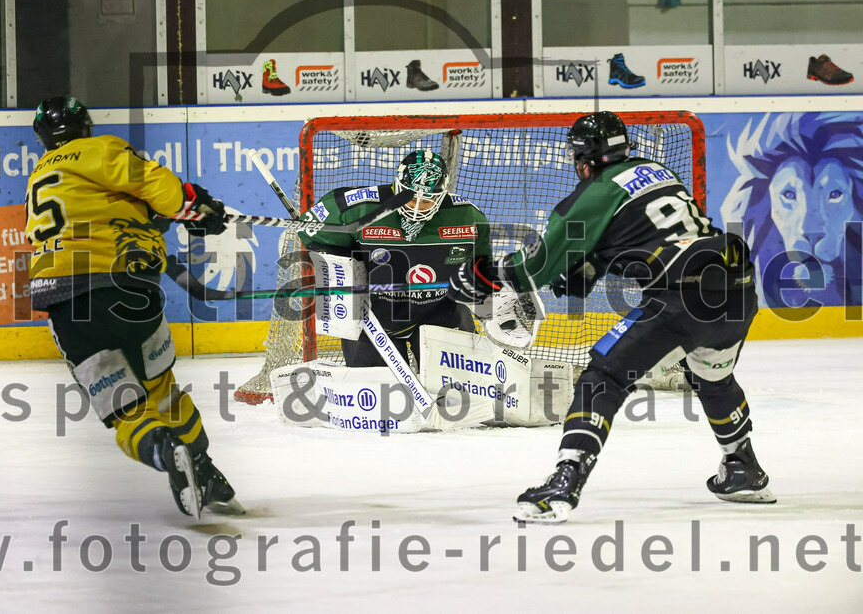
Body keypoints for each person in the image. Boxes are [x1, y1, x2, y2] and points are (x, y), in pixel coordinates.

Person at [448, 111, 775, 523]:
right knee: (711, 375)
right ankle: (743, 466)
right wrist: (595, 265)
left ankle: (564, 483)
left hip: (681, 299)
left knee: (603, 377)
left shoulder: (596, 192)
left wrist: (482, 274)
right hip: (738, 293)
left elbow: (538, 267)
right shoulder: (658, 170)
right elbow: (650, 237)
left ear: (583, 158)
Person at [26, 95, 240, 519]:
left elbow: (118, 211)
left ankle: (164, 452)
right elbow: (156, 186)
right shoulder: (101, 149)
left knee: (127, 410)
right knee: (164, 392)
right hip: (127, 286)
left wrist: (180, 214)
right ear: (85, 125)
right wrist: (197, 208)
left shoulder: (39, 178)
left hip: (64, 302)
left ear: (43, 139)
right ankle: (204, 467)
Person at [299, 150, 492, 367]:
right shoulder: (356, 208)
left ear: (441, 196)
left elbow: (481, 266)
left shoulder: (467, 217)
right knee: (377, 393)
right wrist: (346, 266)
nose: (416, 208)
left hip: (441, 314)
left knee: (457, 392)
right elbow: (310, 233)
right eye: (409, 198)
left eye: (426, 201)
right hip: (374, 316)